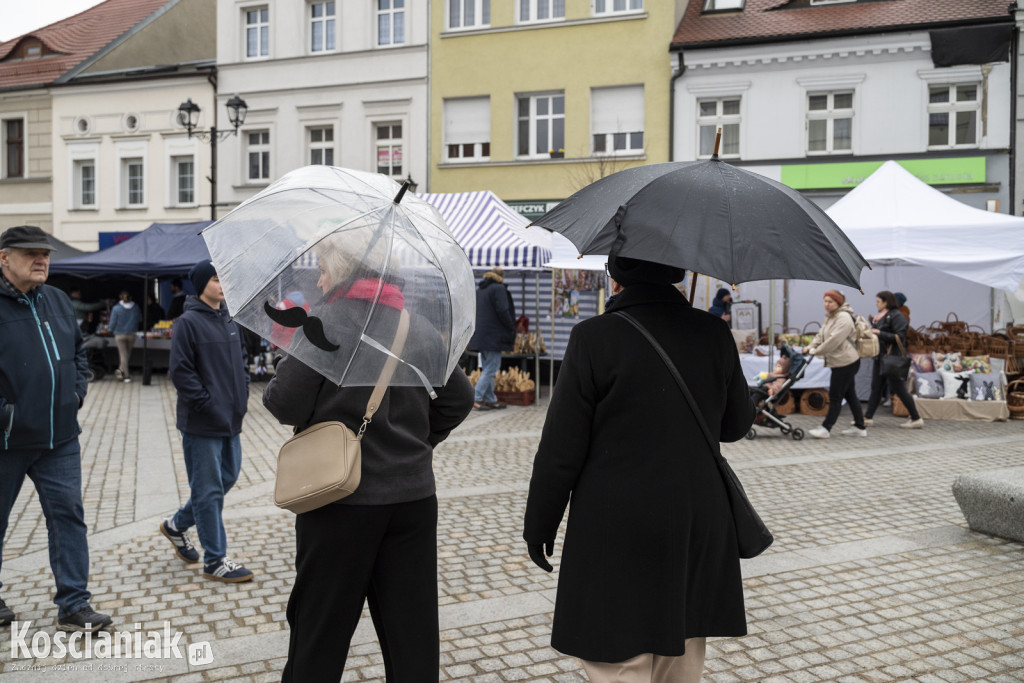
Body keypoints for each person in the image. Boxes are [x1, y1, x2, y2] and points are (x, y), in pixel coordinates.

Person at [523, 249, 755, 683]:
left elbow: (561, 449)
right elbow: (736, 426)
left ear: (616, 276)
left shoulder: (594, 337)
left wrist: (540, 524)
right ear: (678, 274)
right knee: (681, 655)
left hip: (617, 519)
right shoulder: (712, 332)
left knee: (618, 662)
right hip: (695, 515)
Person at [263, 236, 475, 681]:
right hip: (413, 500)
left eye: (322, 268)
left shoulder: (324, 323)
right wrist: (415, 444)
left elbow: (284, 404)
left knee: (319, 632)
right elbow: (459, 399)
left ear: (341, 271)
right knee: (411, 635)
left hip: (339, 501)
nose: (318, 278)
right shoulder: (414, 325)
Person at [0, 225, 113, 632]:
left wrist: (76, 394)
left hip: (60, 438)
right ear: (4, 259)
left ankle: (74, 605)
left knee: (68, 517)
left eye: (44, 253)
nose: (41, 259)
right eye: (30, 253)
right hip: (7, 440)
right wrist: (6, 415)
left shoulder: (59, 300)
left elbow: (78, 354)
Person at [163, 260, 253, 582]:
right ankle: (215, 560)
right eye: (217, 279)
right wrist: (207, 405)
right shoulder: (187, 323)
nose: (223, 284)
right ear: (202, 285)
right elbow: (181, 372)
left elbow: (242, 361)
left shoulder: (230, 319)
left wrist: (241, 397)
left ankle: (176, 525)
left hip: (231, 419)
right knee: (209, 490)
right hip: (202, 422)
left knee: (226, 478)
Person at [805, 289, 866, 438]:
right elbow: (821, 335)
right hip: (839, 361)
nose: (826, 304)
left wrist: (816, 351)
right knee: (850, 395)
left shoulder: (843, 318)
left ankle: (826, 428)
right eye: (825, 301)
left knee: (835, 395)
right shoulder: (831, 317)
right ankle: (860, 427)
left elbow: (834, 340)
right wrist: (810, 346)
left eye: (830, 302)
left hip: (846, 362)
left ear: (838, 302)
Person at [863, 290, 923, 429]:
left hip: (892, 359)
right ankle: (867, 418)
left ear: (886, 302)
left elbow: (899, 337)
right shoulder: (882, 316)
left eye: (878, 301)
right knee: (876, 388)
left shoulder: (897, 316)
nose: (876, 304)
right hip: (880, 357)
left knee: (899, 389)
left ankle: (916, 418)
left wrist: (880, 333)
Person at [468, 267, 516, 411]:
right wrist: (510, 325)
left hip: (481, 335)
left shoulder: (480, 290)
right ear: (501, 277)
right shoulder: (498, 289)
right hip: (493, 335)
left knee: (488, 368)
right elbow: (502, 310)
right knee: (491, 368)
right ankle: (476, 397)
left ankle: (490, 399)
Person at [108, 290, 141, 382]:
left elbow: (112, 322)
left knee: (123, 355)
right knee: (127, 354)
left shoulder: (116, 308)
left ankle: (126, 376)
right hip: (132, 334)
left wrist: (110, 330)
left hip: (119, 334)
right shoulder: (136, 307)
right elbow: (139, 319)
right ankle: (121, 370)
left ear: (120, 296)